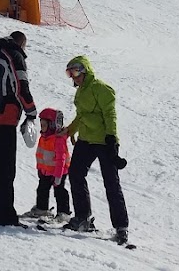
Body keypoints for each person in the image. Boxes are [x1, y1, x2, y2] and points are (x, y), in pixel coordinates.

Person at [63, 56, 129, 245]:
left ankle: (121, 227)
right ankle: (82, 216)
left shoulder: (101, 89)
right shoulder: (81, 92)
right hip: (86, 140)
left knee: (111, 182)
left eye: (75, 72)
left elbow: (110, 114)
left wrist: (111, 138)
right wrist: (69, 131)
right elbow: (81, 115)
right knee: (75, 173)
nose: (73, 77)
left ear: (85, 71)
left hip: (103, 140)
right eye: (69, 73)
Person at [0, 31, 38, 225]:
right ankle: (6, 214)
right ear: (21, 43)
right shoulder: (14, 56)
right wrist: (31, 111)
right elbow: (21, 86)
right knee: (5, 166)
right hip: (4, 117)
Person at [24, 107, 72, 221]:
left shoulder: (58, 140)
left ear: (52, 125)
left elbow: (61, 159)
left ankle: (63, 213)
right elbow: (41, 155)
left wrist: (58, 176)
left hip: (58, 172)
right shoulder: (44, 137)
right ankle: (42, 209)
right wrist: (40, 169)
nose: (42, 127)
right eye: (41, 125)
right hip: (46, 172)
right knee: (42, 190)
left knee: (59, 191)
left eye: (44, 125)